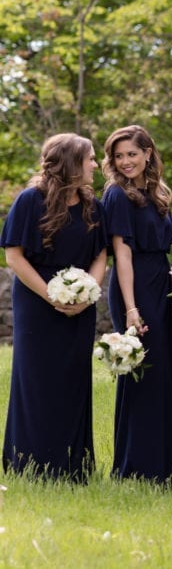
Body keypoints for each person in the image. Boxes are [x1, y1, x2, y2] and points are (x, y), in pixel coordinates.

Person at [1, 133, 107, 481]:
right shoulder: (31, 200)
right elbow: (14, 256)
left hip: (81, 304)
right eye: (90, 158)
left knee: (74, 379)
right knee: (36, 379)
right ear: (70, 162)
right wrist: (52, 295)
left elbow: (100, 254)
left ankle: (72, 467)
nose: (95, 164)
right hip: (37, 301)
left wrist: (87, 292)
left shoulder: (94, 205)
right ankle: (29, 465)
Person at [101, 125, 172, 482]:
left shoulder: (158, 193)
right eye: (119, 156)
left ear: (148, 153)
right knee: (141, 372)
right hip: (134, 289)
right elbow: (122, 254)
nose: (125, 161)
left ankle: (162, 465)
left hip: (160, 285)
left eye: (132, 153)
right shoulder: (117, 194)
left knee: (163, 374)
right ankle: (135, 467)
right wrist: (131, 308)